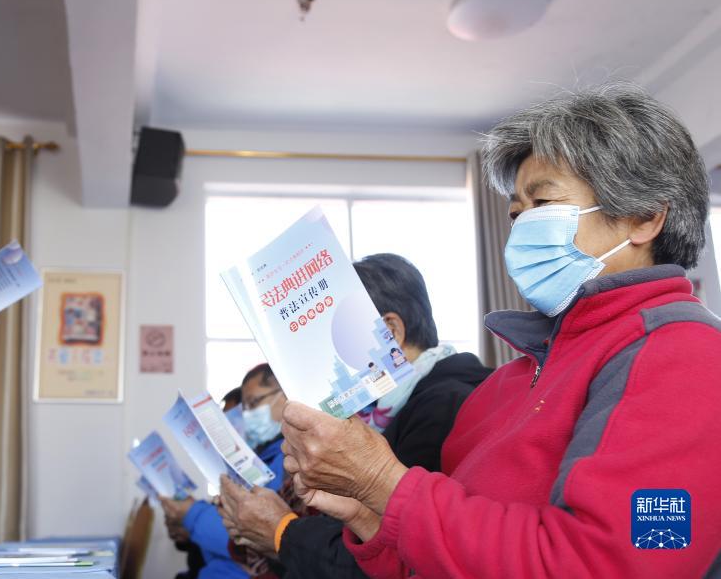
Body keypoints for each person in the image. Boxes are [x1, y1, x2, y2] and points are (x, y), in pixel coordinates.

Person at [281, 83, 721, 578]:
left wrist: (383, 481)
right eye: (516, 213)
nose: (522, 229)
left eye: (543, 203)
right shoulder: (510, 379)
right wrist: (370, 514)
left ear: (644, 217)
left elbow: (611, 565)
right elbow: (445, 553)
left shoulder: (686, 357)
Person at [218, 254, 491, 579]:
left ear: (390, 331)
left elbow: (392, 554)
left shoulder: (443, 408)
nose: (330, 358)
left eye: (340, 339)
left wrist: (281, 530)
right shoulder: (378, 413)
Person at [161, 367, 287, 579]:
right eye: (244, 408)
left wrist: (192, 515)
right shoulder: (260, 457)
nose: (247, 416)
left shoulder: (289, 459)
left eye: (253, 403)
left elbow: (253, 531)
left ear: (285, 395)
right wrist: (187, 530)